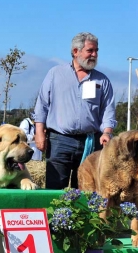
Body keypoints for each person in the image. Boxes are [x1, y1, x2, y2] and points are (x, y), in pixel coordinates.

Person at [33, 32, 116, 190]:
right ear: (75, 51)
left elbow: (108, 110)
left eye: (96, 51)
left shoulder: (102, 80)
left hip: (90, 143)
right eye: (90, 51)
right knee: (55, 190)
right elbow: (42, 105)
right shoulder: (55, 74)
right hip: (59, 141)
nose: (94, 55)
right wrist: (39, 133)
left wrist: (107, 132)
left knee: (86, 191)